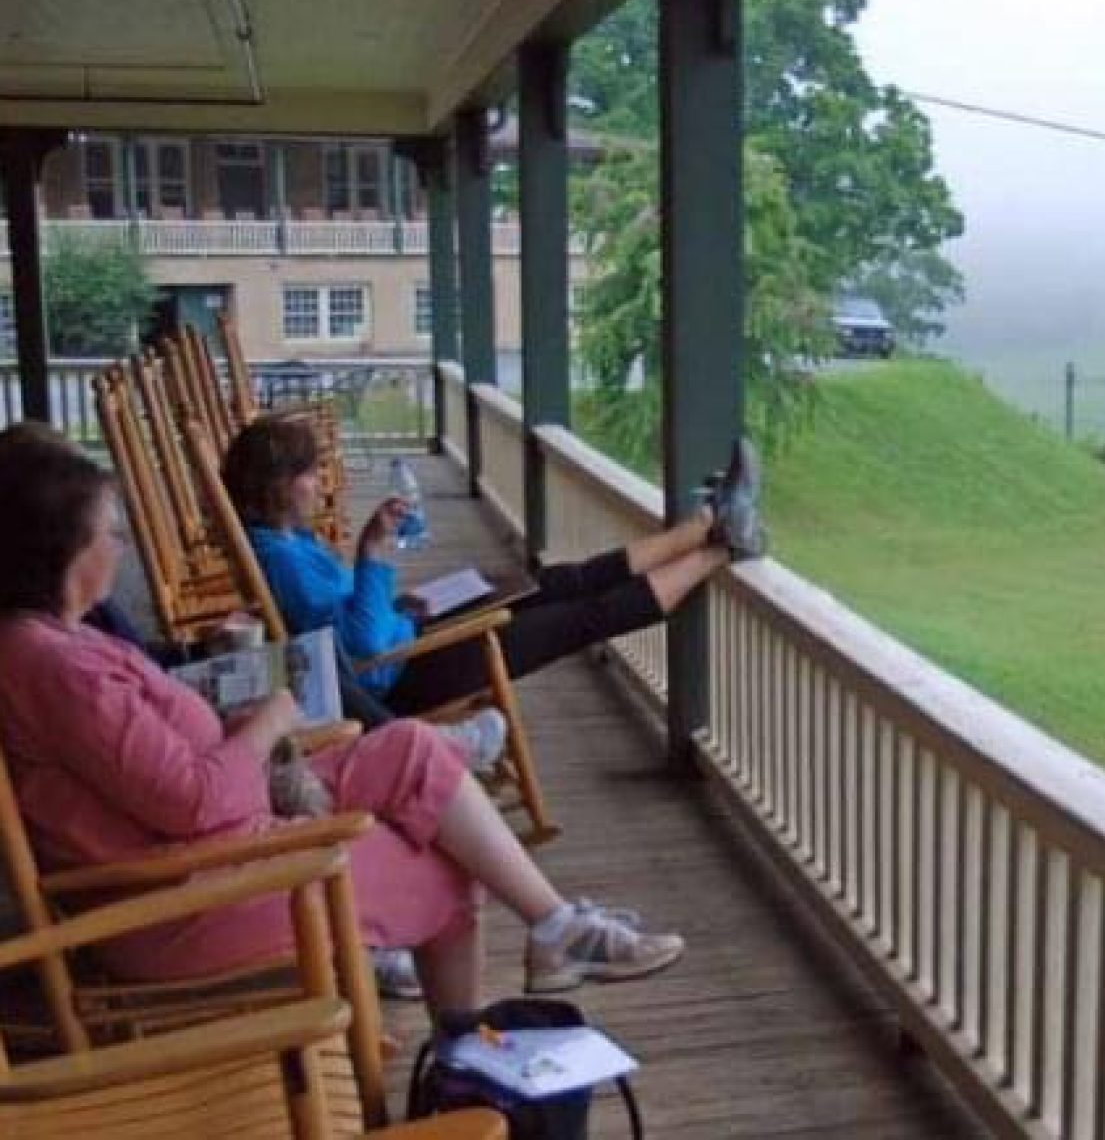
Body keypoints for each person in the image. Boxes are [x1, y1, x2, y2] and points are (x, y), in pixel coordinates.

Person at [0, 443, 685, 1012]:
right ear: (65, 549)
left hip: (219, 837)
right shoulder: (59, 669)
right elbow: (194, 802)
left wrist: (239, 727)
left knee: (411, 746)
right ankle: (468, 1054)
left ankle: (557, 929)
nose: (121, 548)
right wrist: (269, 721)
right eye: (110, 533)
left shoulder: (59, 640)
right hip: (186, 900)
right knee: (447, 871)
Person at [222, 416, 767, 715]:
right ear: (276, 486)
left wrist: (397, 605)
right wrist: (372, 554)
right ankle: (721, 548)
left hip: (409, 637)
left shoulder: (289, 541)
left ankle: (708, 522)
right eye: (308, 473)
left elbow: (347, 624)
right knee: (582, 617)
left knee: (561, 582)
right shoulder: (282, 560)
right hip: (404, 675)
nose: (319, 482)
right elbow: (362, 649)